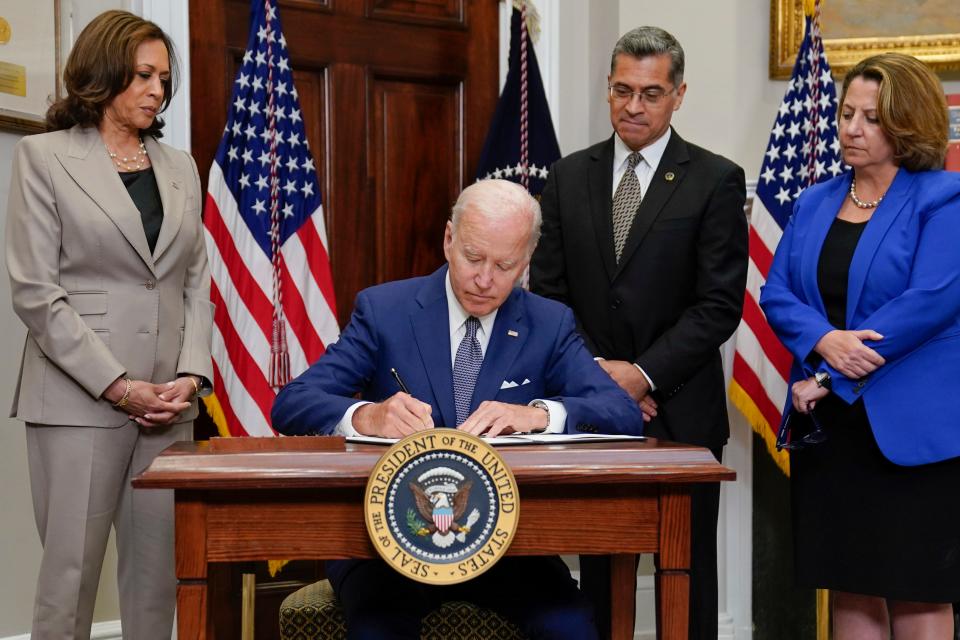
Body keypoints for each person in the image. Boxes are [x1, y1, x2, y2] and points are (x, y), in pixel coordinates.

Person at [272, 178, 644, 639]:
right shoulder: (384, 310)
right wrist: (367, 415)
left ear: (526, 263)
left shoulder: (549, 324)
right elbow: (292, 404)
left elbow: (621, 412)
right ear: (449, 239)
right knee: (378, 631)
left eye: (504, 265)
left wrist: (540, 415)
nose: (485, 279)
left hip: (508, 546)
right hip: (389, 546)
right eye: (473, 258)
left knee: (571, 627)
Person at [529, 26, 747, 639]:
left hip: (683, 412)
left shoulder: (714, 179)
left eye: (650, 94)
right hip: (592, 410)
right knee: (598, 568)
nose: (633, 106)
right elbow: (549, 296)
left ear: (679, 95)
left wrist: (642, 374)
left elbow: (717, 305)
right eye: (621, 90)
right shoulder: (568, 177)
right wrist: (599, 378)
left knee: (688, 570)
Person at [5, 11, 213, 639]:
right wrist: (119, 385)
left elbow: (194, 279)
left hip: (167, 407)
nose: (157, 89)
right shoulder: (42, 158)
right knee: (71, 577)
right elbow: (36, 293)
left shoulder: (181, 166)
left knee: (157, 582)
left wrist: (191, 374)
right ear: (103, 75)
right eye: (144, 75)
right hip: (78, 399)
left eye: (164, 78)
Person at [760, 52, 960, 639]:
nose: (851, 128)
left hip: (914, 435)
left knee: (919, 593)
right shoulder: (815, 200)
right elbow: (776, 294)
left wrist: (827, 376)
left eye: (871, 118)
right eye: (848, 114)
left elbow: (925, 306)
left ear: (906, 123)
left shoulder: (943, 198)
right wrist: (823, 339)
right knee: (851, 585)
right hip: (834, 433)